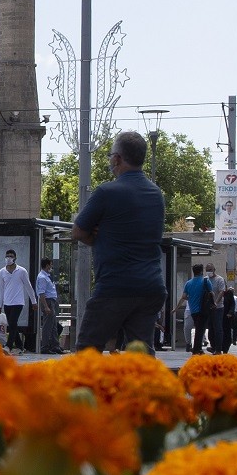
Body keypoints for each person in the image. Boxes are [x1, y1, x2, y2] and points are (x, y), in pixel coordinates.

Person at [71, 131, 165, 351]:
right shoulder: (155, 193)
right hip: (151, 287)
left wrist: (100, 238)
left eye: (111, 155)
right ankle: (145, 385)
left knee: (87, 352)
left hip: (115, 285)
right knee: (140, 357)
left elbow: (77, 231)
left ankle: (89, 387)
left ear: (117, 159)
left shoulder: (106, 191)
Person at [0, 248, 36, 351]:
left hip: (18, 302)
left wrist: (34, 301)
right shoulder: (2, 272)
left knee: (13, 322)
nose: (9, 258)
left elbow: (28, 286)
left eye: (11, 256)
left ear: (15, 258)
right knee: (12, 325)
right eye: (7, 256)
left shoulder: (21, 271)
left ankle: (8, 346)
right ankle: (20, 346)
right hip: (7, 302)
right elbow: (1, 289)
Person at [182, 265, 212, 353]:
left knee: (199, 328)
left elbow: (184, 296)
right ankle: (197, 349)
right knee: (200, 329)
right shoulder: (205, 281)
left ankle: (197, 349)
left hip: (193, 310)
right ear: (201, 272)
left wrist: (191, 298)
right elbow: (211, 294)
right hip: (203, 309)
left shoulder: (188, 283)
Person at [34, 260, 60, 352]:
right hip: (47, 301)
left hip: (51, 301)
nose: (51, 266)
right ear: (47, 265)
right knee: (47, 325)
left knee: (53, 325)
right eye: (50, 264)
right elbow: (41, 293)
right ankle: (45, 346)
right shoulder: (42, 277)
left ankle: (55, 346)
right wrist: (46, 306)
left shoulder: (47, 276)